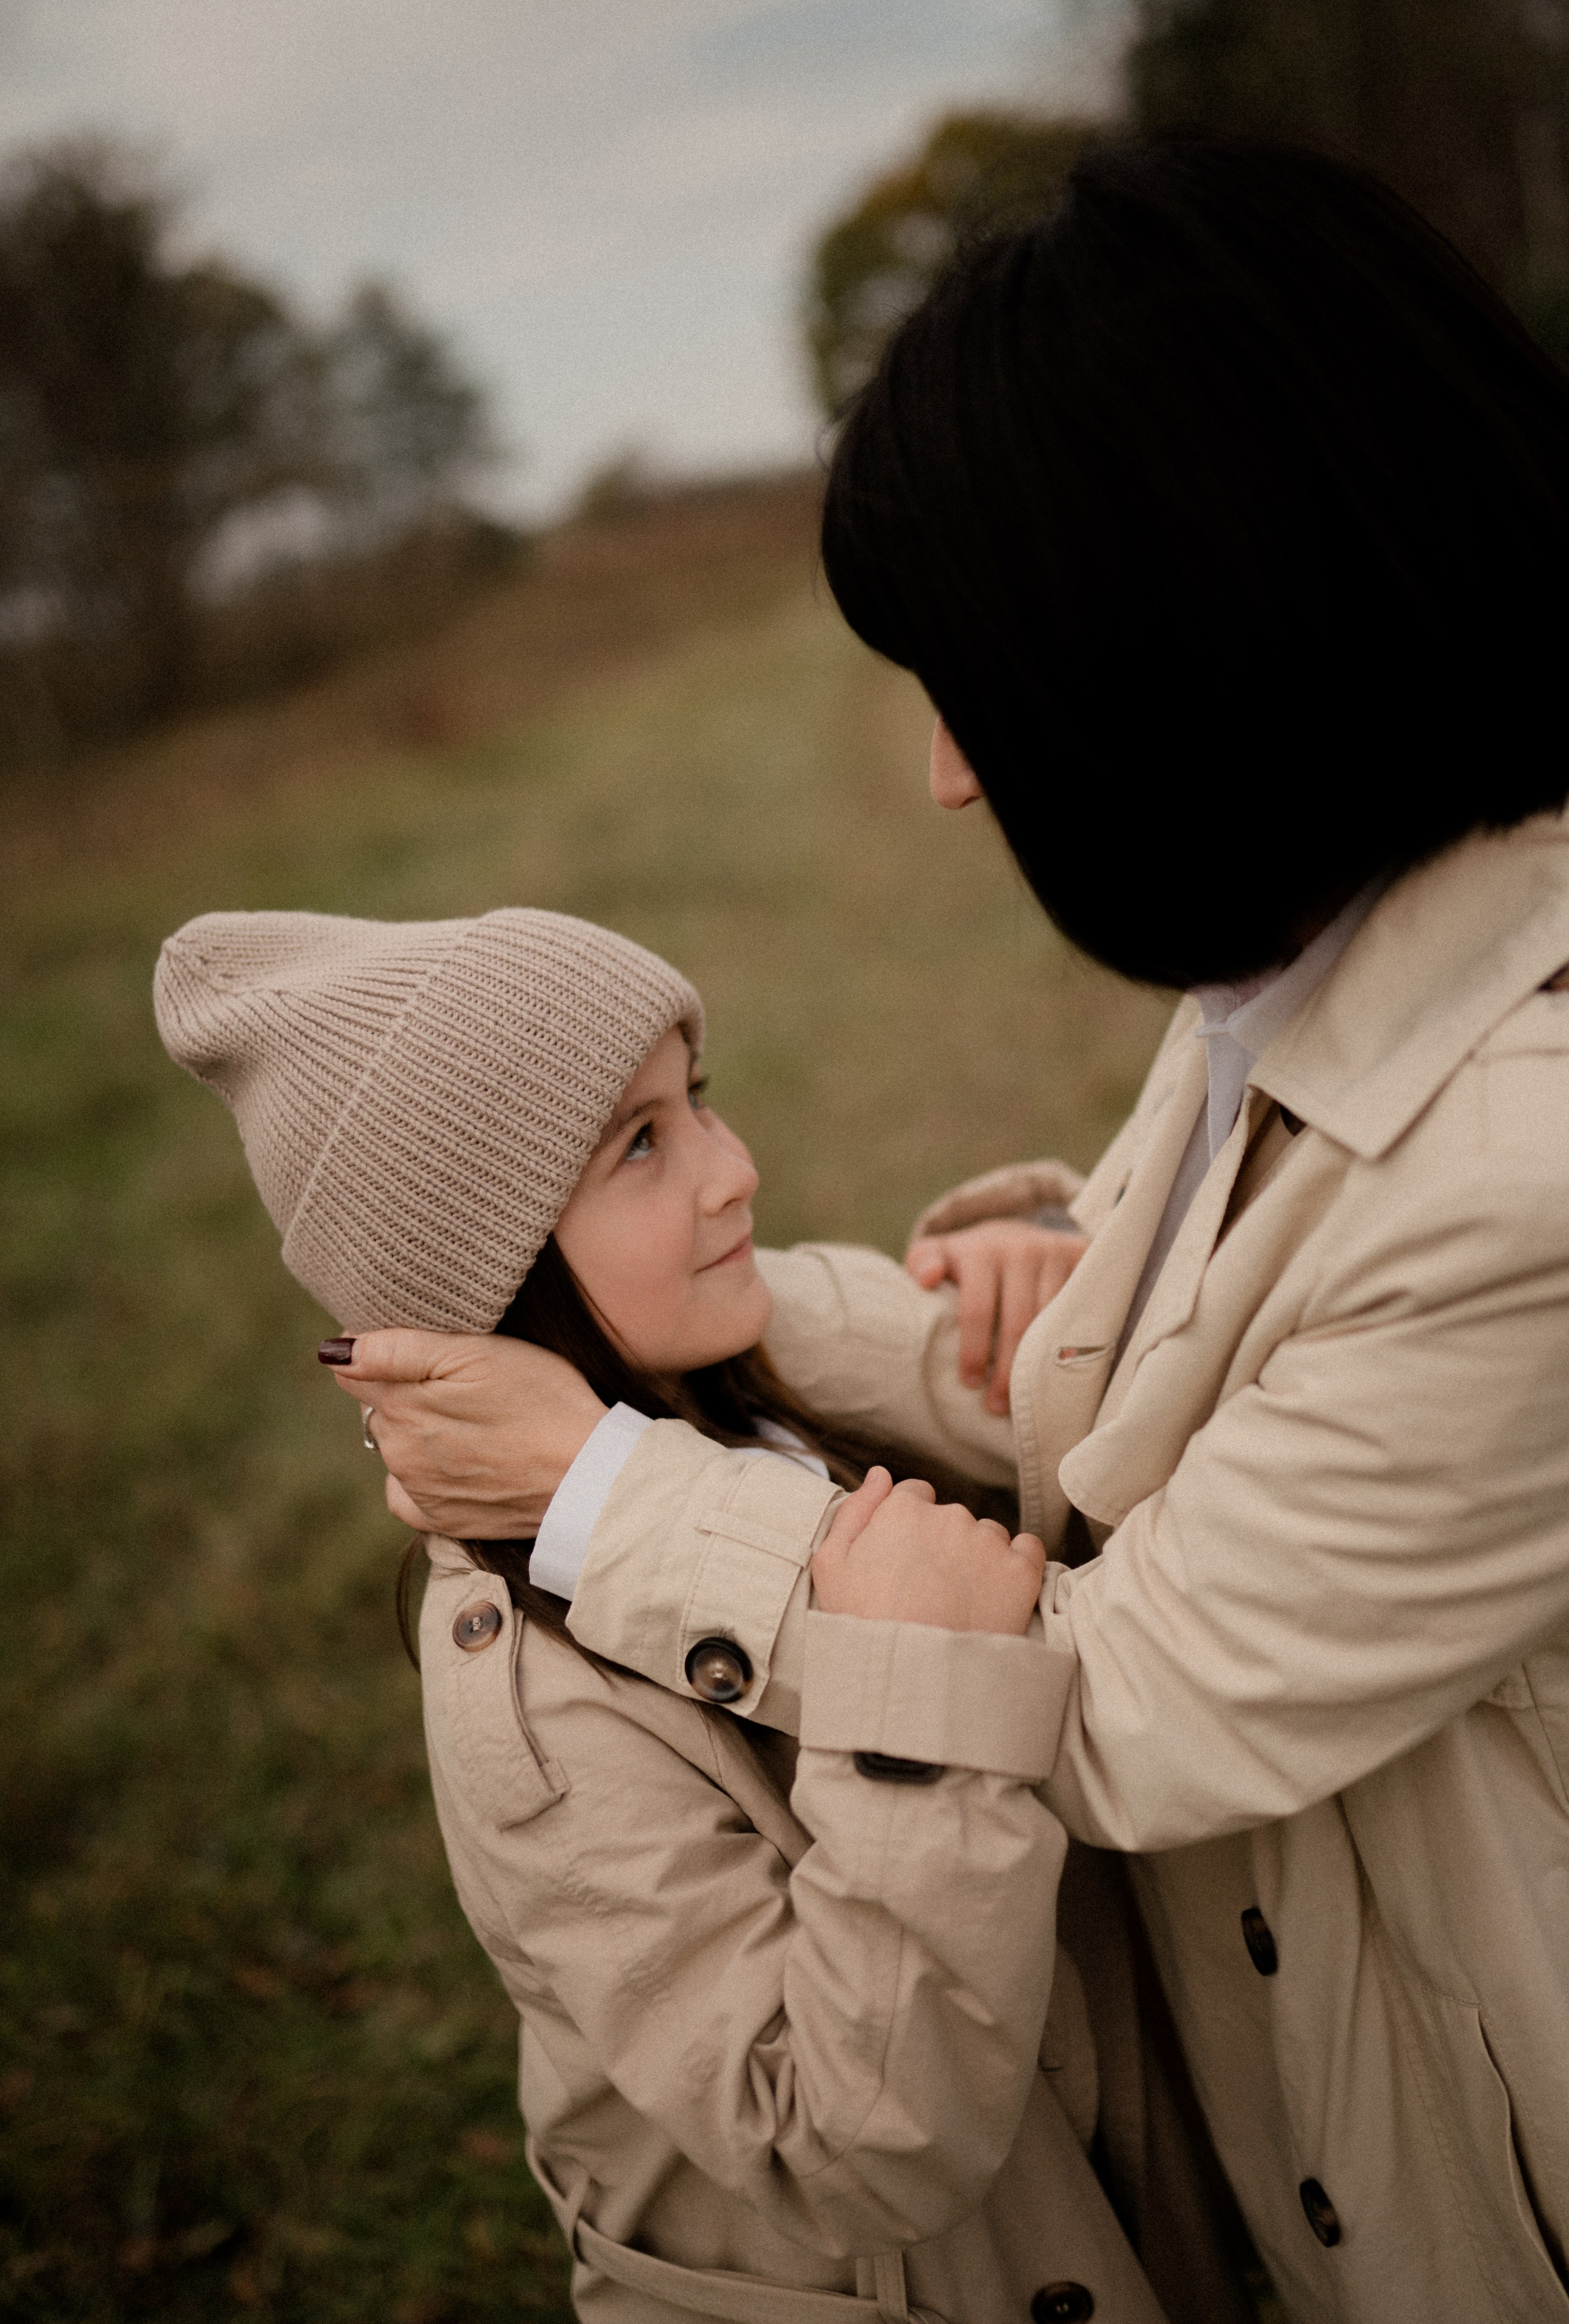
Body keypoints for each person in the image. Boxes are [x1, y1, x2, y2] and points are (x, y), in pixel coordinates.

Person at [337, 138, 1569, 2324]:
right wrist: (1024, 1269)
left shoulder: (1538, 1153)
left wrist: (617, 1477)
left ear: (1194, 636)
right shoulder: (1326, 942)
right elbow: (1234, 1284)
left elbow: (1135, 1688)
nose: (948, 776)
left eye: (977, 683)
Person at [153, 904, 1226, 2324]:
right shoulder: (530, 1701)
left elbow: (986, 1367)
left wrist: (1024, 1249)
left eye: (695, 1101)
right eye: (639, 1145)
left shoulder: (743, 1387)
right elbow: (830, 2136)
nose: (735, 1170)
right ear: (490, 1282)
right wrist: (907, 1704)